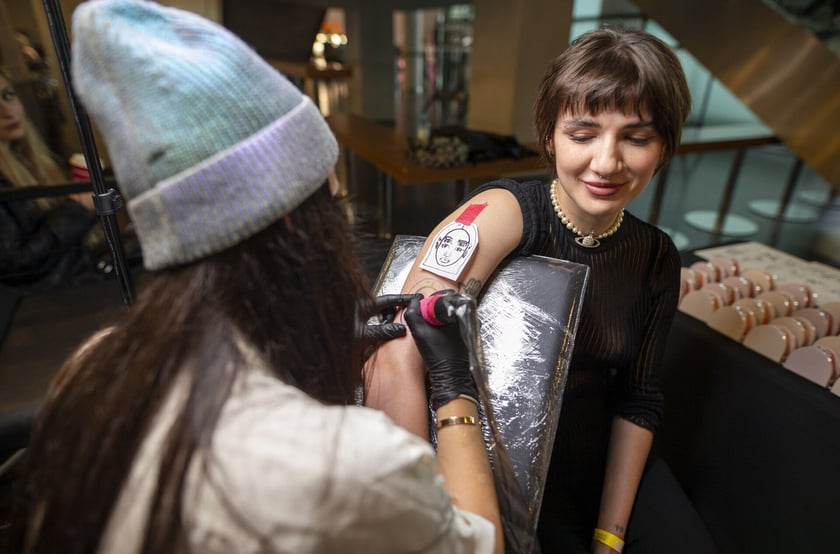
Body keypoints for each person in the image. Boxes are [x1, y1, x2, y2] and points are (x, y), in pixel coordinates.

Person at [6, 1, 502, 553]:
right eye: (335, 207)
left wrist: (325, 343)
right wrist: (453, 388)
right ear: (292, 221)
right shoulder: (342, 463)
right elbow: (478, 544)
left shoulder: (90, 366)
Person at [367, 27, 719, 553]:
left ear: (664, 146)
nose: (607, 162)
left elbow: (639, 400)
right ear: (550, 136)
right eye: (583, 134)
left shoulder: (655, 255)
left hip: (604, 463)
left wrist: (610, 534)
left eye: (636, 138)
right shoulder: (505, 212)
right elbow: (402, 341)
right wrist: (424, 516)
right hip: (504, 462)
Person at [0, 67, 98, 291]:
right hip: (47, 303)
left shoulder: (33, 161)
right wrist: (76, 209)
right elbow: (15, 264)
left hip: (76, 286)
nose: (7, 111)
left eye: (8, 95)